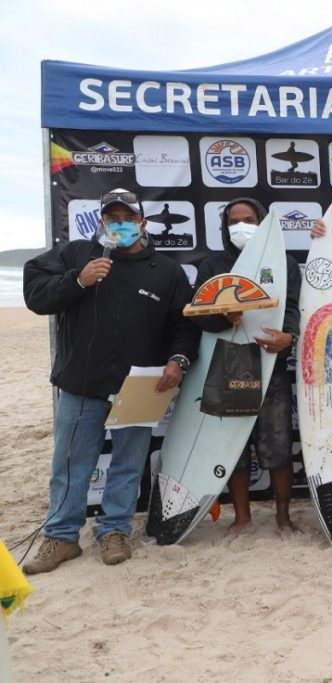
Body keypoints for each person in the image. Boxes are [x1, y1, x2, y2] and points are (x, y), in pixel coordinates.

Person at [22, 188, 197, 573]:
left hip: (140, 385)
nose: (120, 225)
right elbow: (35, 294)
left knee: (129, 464)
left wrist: (178, 360)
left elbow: (183, 325)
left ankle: (114, 530)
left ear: (143, 223)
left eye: (127, 218)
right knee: (69, 464)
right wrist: (77, 281)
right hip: (81, 382)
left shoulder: (166, 271)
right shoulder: (77, 255)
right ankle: (62, 536)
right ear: (101, 221)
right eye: (111, 218)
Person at [193, 197, 301, 538]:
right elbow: (199, 316)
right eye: (233, 221)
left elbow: (295, 307)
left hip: (271, 365)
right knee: (234, 448)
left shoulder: (284, 262)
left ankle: (283, 518)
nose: (240, 226)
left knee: (279, 445)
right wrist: (221, 316)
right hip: (227, 365)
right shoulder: (212, 266)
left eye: (249, 219)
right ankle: (242, 518)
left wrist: (291, 337)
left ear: (263, 221)